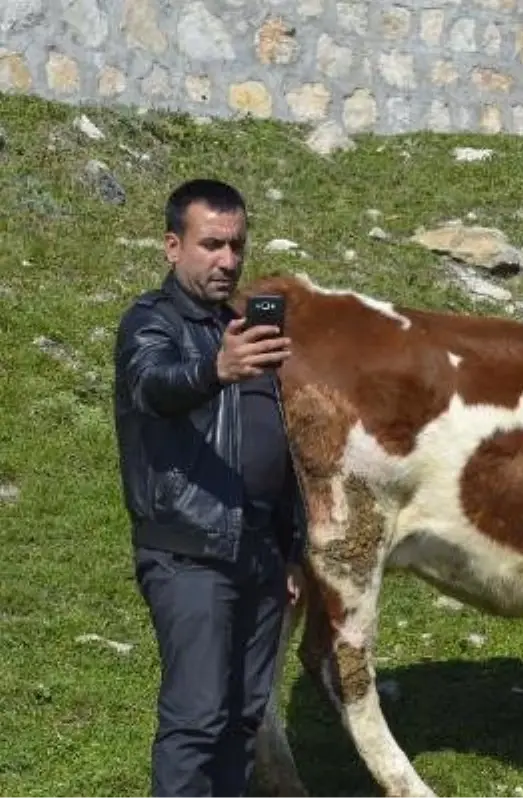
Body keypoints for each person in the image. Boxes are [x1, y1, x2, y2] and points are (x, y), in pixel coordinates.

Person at [112, 178, 307, 798]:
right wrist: (213, 369)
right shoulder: (151, 321)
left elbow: (272, 446)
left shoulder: (241, 330)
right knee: (196, 720)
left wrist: (289, 547)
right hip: (188, 551)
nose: (228, 260)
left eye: (237, 246)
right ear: (173, 246)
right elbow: (154, 385)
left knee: (243, 720)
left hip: (258, 553)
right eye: (212, 244)